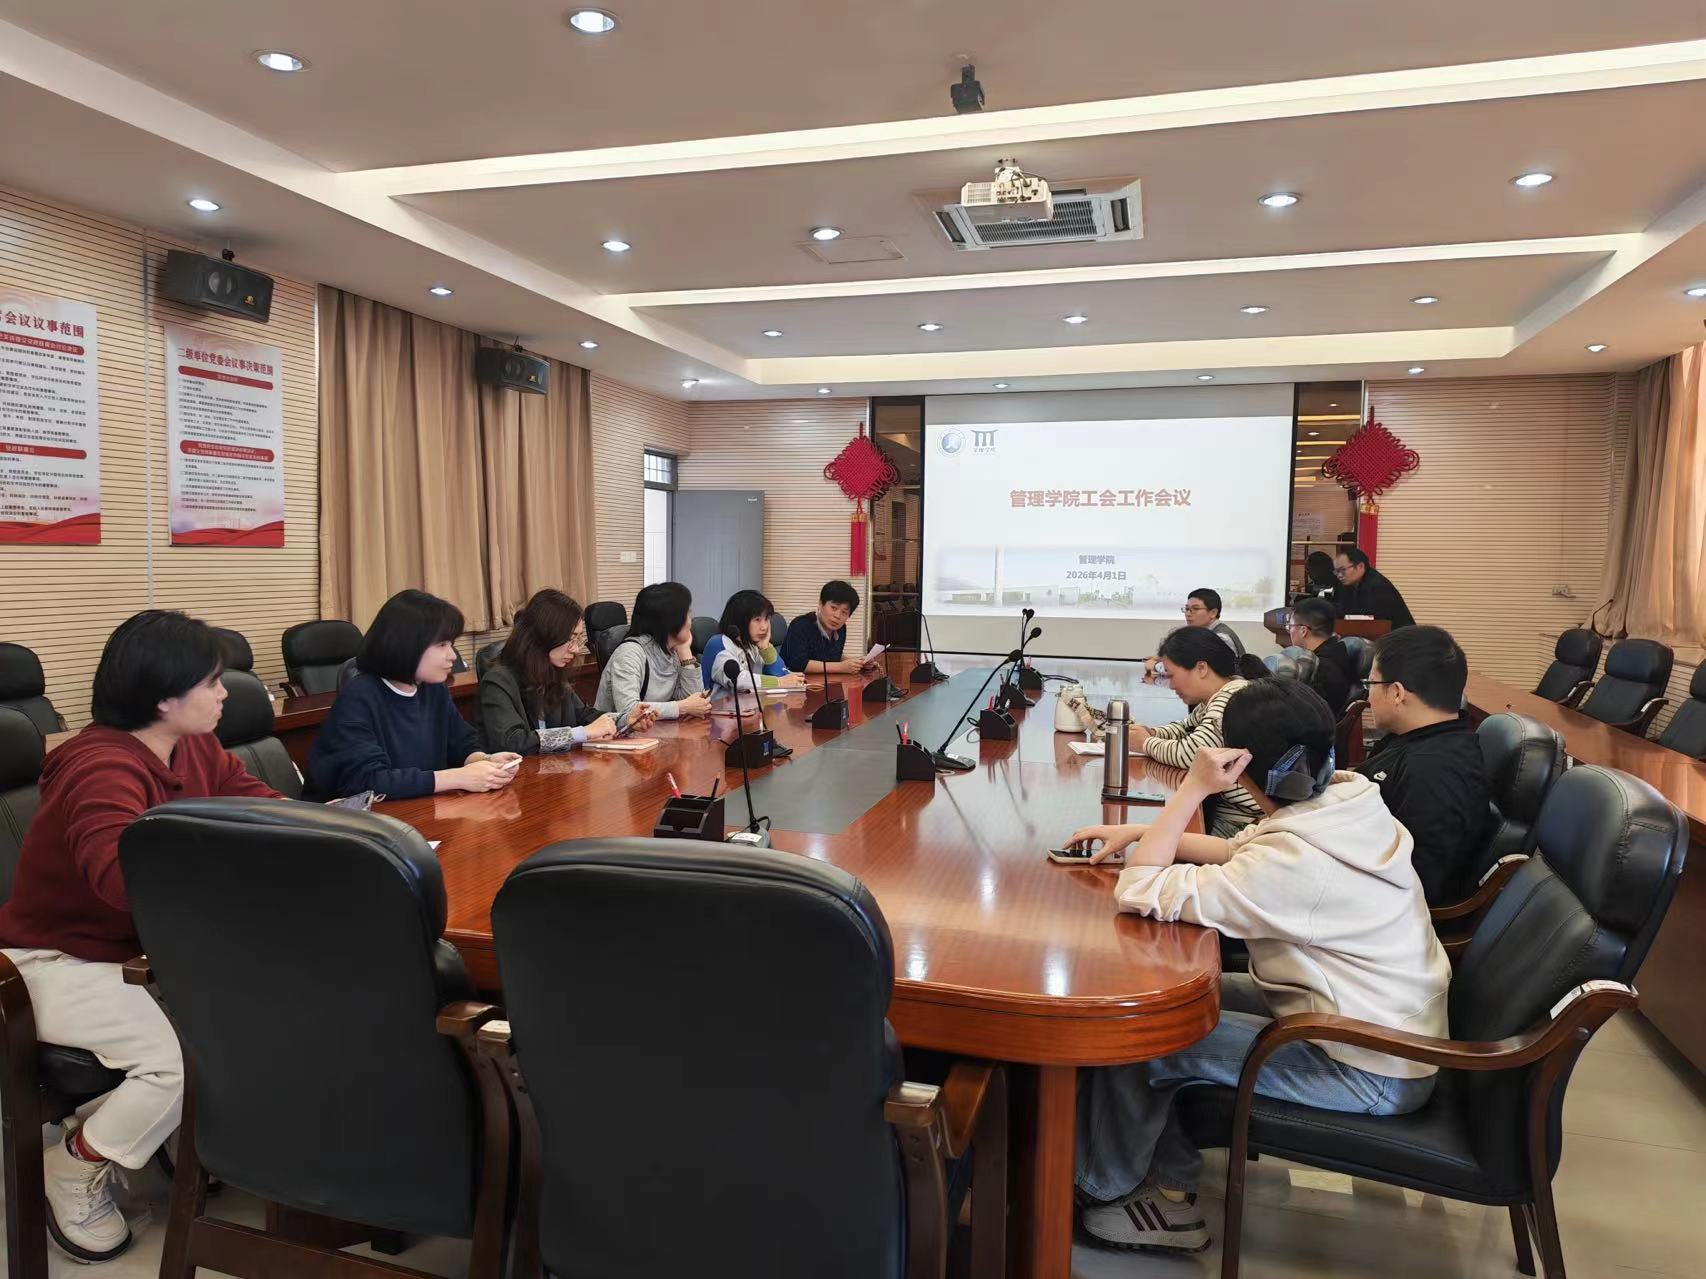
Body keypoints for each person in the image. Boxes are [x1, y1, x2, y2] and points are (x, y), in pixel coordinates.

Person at [1063, 680, 1448, 1254]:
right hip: (1379, 1029)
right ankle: (1165, 1176)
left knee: (1144, 1036)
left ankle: (1108, 1189)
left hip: (1365, 1065)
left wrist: (1190, 791)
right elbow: (1237, 849)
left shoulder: (1296, 862)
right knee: (1190, 998)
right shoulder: (1348, 799)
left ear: (1237, 763)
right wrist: (1142, 832)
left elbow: (1137, 889)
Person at [0, 610, 283, 1262]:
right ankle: (73, 1162)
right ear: (163, 698)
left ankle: (164, 1137)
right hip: (51, 959)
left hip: (137, 950)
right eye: (212, 682)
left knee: (251, 1017)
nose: (227, 693)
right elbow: (122, 880)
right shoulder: (100, 766)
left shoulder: (193, 744)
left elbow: (254, 801)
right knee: (184, 1057)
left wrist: (325, 834)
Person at [306, 590, 521, 799]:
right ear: (407, 644)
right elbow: (368, 781)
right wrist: (457, 778)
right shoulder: (358, 697)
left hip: (418, 808)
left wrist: (486, 761)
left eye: (451, 644)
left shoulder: (433, 688)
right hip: (348, 818)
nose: (452, 656)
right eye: (442, 645)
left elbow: (462, 744)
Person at [1358, 625, 1492, 905]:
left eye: (1371, 684)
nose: (1367, 696)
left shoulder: (1433, 772)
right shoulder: (1417, 740)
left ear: (1397, 692)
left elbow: (1415, 883)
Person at [479, 589, 658, 755]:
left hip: (555, 770)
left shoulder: (553, 674)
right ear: (544, 635)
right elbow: (513, 742)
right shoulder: (497, 682)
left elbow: (584, 716)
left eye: (578, 639)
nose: (576, 649)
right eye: (570, 639)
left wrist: (626, 720)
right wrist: (581, 733)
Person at [1133, 627, 1261, 837]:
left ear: (1201, 668)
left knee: (1159, 837)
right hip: (1226, 809)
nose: (1170, 685)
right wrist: (1152, 732)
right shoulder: (1218, 696)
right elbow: (1184, 728)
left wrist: (1145, 743)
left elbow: (1192, 754)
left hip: (1241, 822)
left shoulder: (1231, 699)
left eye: (1171, 675)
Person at [595, 581, 713, 720]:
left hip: (655, 729)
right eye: (687, 614)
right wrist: (682, 707)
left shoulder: (670, 650)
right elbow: (629, 711)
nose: (690, 621)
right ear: (671, 621)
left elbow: (694, 702)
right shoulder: (629, 653)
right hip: (614, 731)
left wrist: (684, 649)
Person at [703, 589, 808, 693]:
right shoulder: (719, 644)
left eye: (766, 619)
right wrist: (779, 682)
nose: (764, 627)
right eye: (757, 620)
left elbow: (781, 674)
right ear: (740, 621)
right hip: (719, 703)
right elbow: (739, 679)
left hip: (751, 702)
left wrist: (766, 648)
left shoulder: (753, 643)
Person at [781, 580, 874, 676]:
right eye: (834, 608)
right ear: (821, 604)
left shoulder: (841, 629)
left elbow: (833, 657)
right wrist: (841, 667)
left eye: (844, 612)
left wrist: (858, 663)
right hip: (794, 681)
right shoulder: (800, 625)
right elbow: (798, 664)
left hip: (826, 681)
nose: (837, 616)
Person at [1282, 597, 1356, 717]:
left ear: (1303, 631)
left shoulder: (1319, 669)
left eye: (1289, 626)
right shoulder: (1337, 654)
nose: (1289, 631)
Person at [1142, 588, 1244, 671]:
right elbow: (1190, 659)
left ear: (1213, 613)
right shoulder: (1204, 634)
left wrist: (1156, 666)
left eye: (1195, 609)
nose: (1188, 613)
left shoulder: (1221, 637)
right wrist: (1164, 660)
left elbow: (1193, 670)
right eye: (1187, 609)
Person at [1333, 547, 1415, 629]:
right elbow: (1344, 609)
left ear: (1360, 566)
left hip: (1399, 634)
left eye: (1342, 570)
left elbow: (1369, 618)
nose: (1339, 575)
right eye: (1336, 571)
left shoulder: (1377, 586)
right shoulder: (1350, 584)